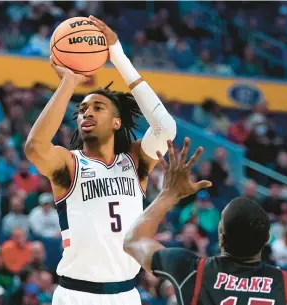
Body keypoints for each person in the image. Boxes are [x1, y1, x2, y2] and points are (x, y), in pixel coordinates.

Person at [24, 16, 176, 305]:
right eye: (82, 109)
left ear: (117, 121)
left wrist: (117, 53)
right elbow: (35, 147)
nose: (87, 113)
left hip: (126, 295)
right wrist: (68, 83)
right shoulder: (69, 165)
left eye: (98, 107)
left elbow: (165, 129)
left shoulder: (136, 162)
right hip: (75, 295)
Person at [124, 138, 287, 305]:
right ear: (267, 238)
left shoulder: (192, 270)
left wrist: (168, 194)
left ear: (221, 236)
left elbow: (134, 240)